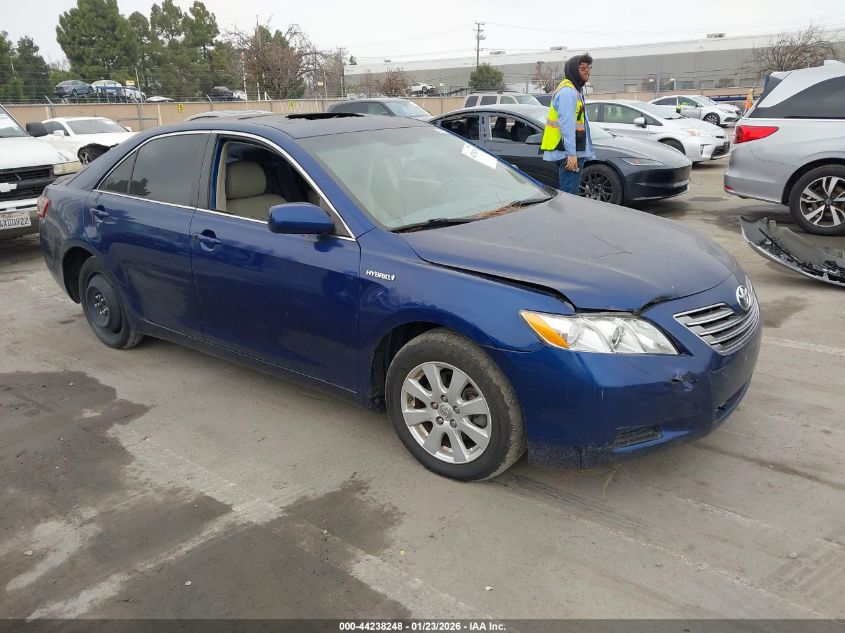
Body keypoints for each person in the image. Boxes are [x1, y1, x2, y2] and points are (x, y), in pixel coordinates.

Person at [541, 53, 595, 195]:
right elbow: (566, 125)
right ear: (572, 69)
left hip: (573, 151)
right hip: (569, 153)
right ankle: (567, 218)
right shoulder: (567, 92)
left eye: (588, 67)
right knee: (569, 195)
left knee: (571, 194)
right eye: (582, 67)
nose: (587, 70)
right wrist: (571, 154)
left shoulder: (575, 90)